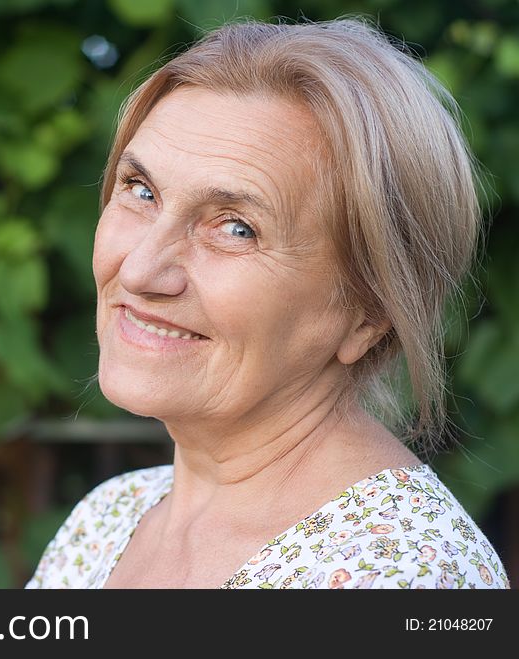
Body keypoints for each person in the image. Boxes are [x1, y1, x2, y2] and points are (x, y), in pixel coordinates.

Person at [25, 17, 510, 589]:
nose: (138, 269)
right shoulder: (113, 519)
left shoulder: (396, 575)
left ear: (370, 310)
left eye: (235, 229)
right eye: (141, 190)